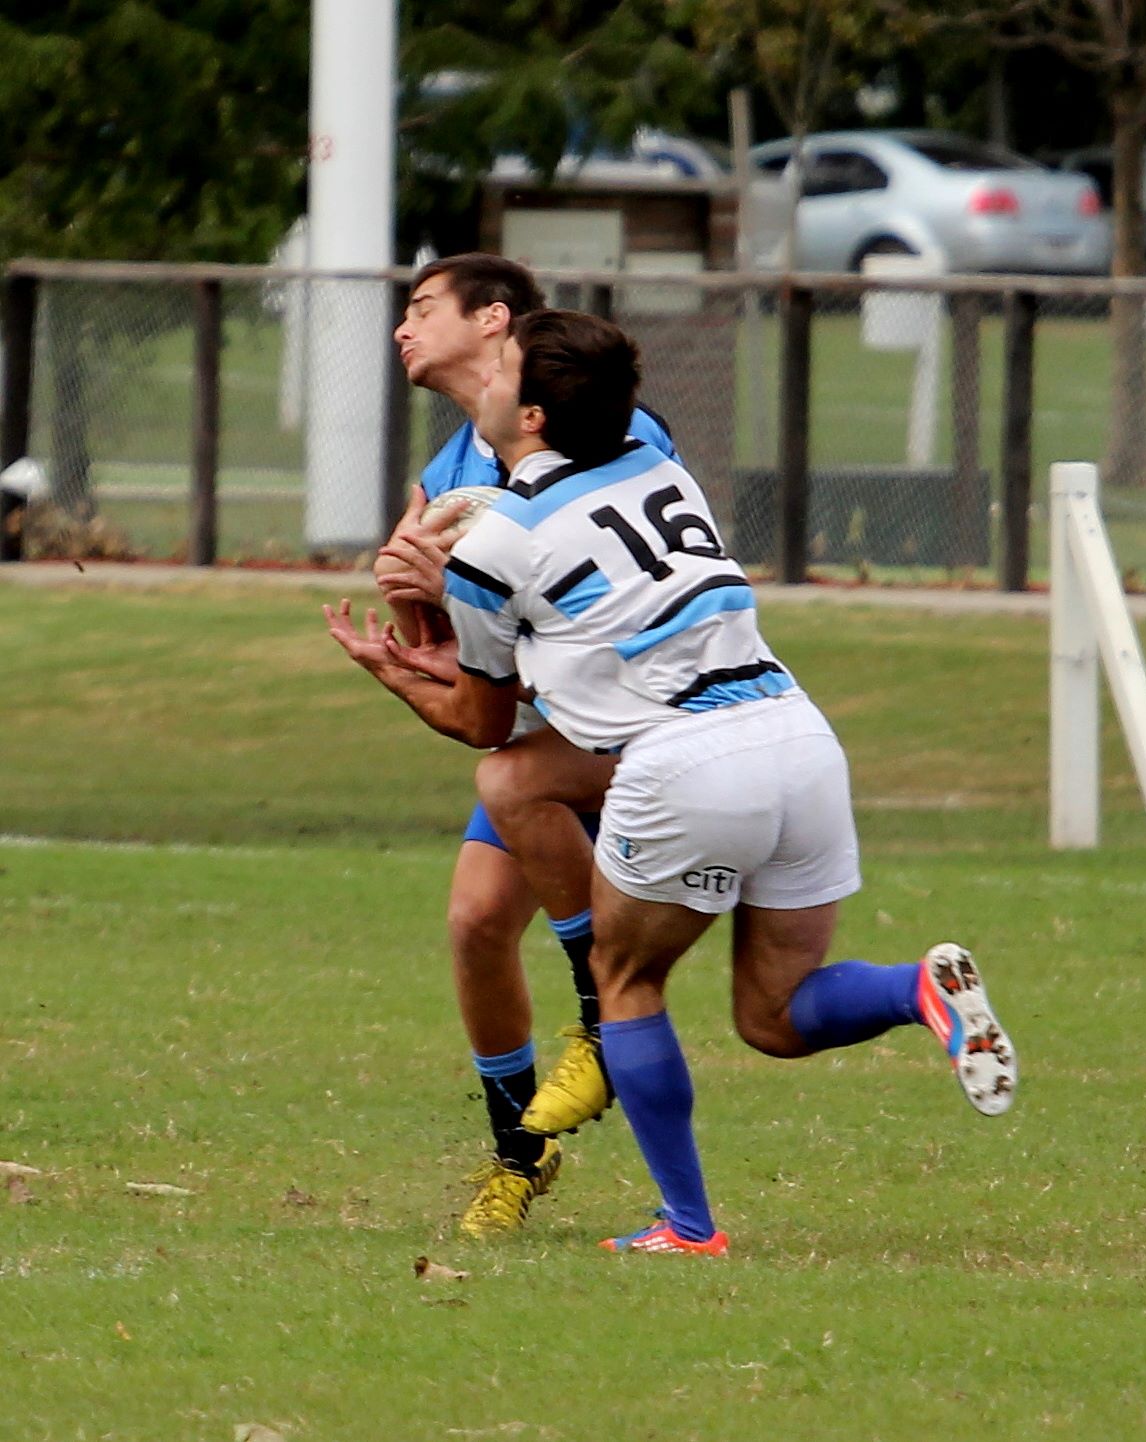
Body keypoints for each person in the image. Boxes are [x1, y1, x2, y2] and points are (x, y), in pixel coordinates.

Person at [326, 308, 1017, 1256]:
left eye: (502, 373)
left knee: (626, 982)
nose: (484, 382)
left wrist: (400, 669)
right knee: (774, 1015)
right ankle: (921, 993)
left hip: (688, 764)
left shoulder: (491, 550)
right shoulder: (659, 469)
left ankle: (688, 1227)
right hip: (798, 738)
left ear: (531, 417)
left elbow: (483, 724)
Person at [377, 254, 678, 1237]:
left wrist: (484, 555)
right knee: (472, 922)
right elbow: (464, 671)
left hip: (640, 717)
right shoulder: (445, 471)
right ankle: (519, 1154)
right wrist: (413, 599)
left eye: (422, 308)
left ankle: (607, 1031)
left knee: (767, 1002)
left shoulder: (611, 427)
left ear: (493, 318)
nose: (402, 329)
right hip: (542, 730)